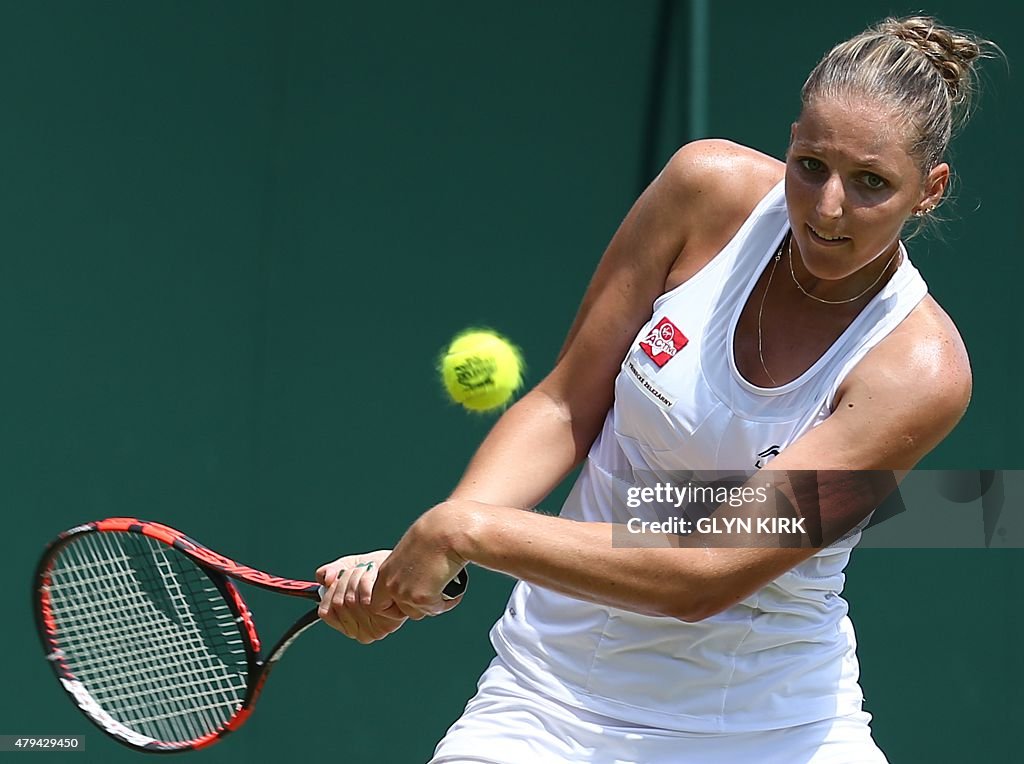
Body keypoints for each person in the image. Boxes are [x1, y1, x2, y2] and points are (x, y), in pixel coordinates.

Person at [317, 15, 995, 764]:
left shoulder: (921, 371)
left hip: (776, 729)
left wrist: (461, 532)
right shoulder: (703, 191)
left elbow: (703, 575)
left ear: (929, 190)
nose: (828, 208)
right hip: (552, 700)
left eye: (871, 183)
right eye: (810, 165)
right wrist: (432, 556)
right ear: (791, 139)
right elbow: (566, 403)